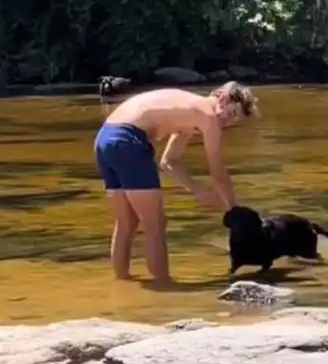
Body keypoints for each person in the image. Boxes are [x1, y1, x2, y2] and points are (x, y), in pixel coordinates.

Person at [93, 82, 258, 283]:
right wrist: (234, 211)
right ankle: (164, 287)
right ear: (222, 98)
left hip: (104, 139)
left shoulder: (189, 110)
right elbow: (218, 172)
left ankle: (122, 285)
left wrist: (195, 189)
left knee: (127, 222)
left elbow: (169, 161)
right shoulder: (208, 115)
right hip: (128, 141)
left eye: (234, 121)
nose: (227, 123)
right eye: (231, 114)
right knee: (156, 225)